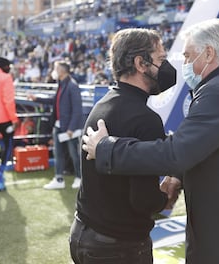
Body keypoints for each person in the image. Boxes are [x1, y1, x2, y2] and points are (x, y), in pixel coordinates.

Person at [82, 18, 219, 263]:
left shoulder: (218, 92)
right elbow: (211, 146)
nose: (184, 64)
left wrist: (107, 149)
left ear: (208, 53)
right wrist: (178, 174)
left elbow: (176, 152)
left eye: (188, 56)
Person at [69, 28, 176, 264]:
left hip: (82, 233)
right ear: (140, 63)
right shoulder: (145, 119)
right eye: (160, 59)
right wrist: (169, 192)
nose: (166, 66)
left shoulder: (103, 104)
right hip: (117, 246)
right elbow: (144, 200)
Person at [28, 60, 83, 189]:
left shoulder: (72, 86)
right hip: (58, 126)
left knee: (74, 154)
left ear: (62, 71)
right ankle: (58, 179)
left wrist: (71, 128)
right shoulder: (61, 84)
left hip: (69, 128)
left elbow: (77, 110)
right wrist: (37, 99)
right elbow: (54, 101)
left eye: (55, 68)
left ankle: (80, 178)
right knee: (58, 153)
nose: (53, 71)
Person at [0, 57, 19, 192]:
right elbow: (8, 100)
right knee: (8, 145)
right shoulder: (6, 78)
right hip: (4, 119)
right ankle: (0, 173)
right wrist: (14, 119)